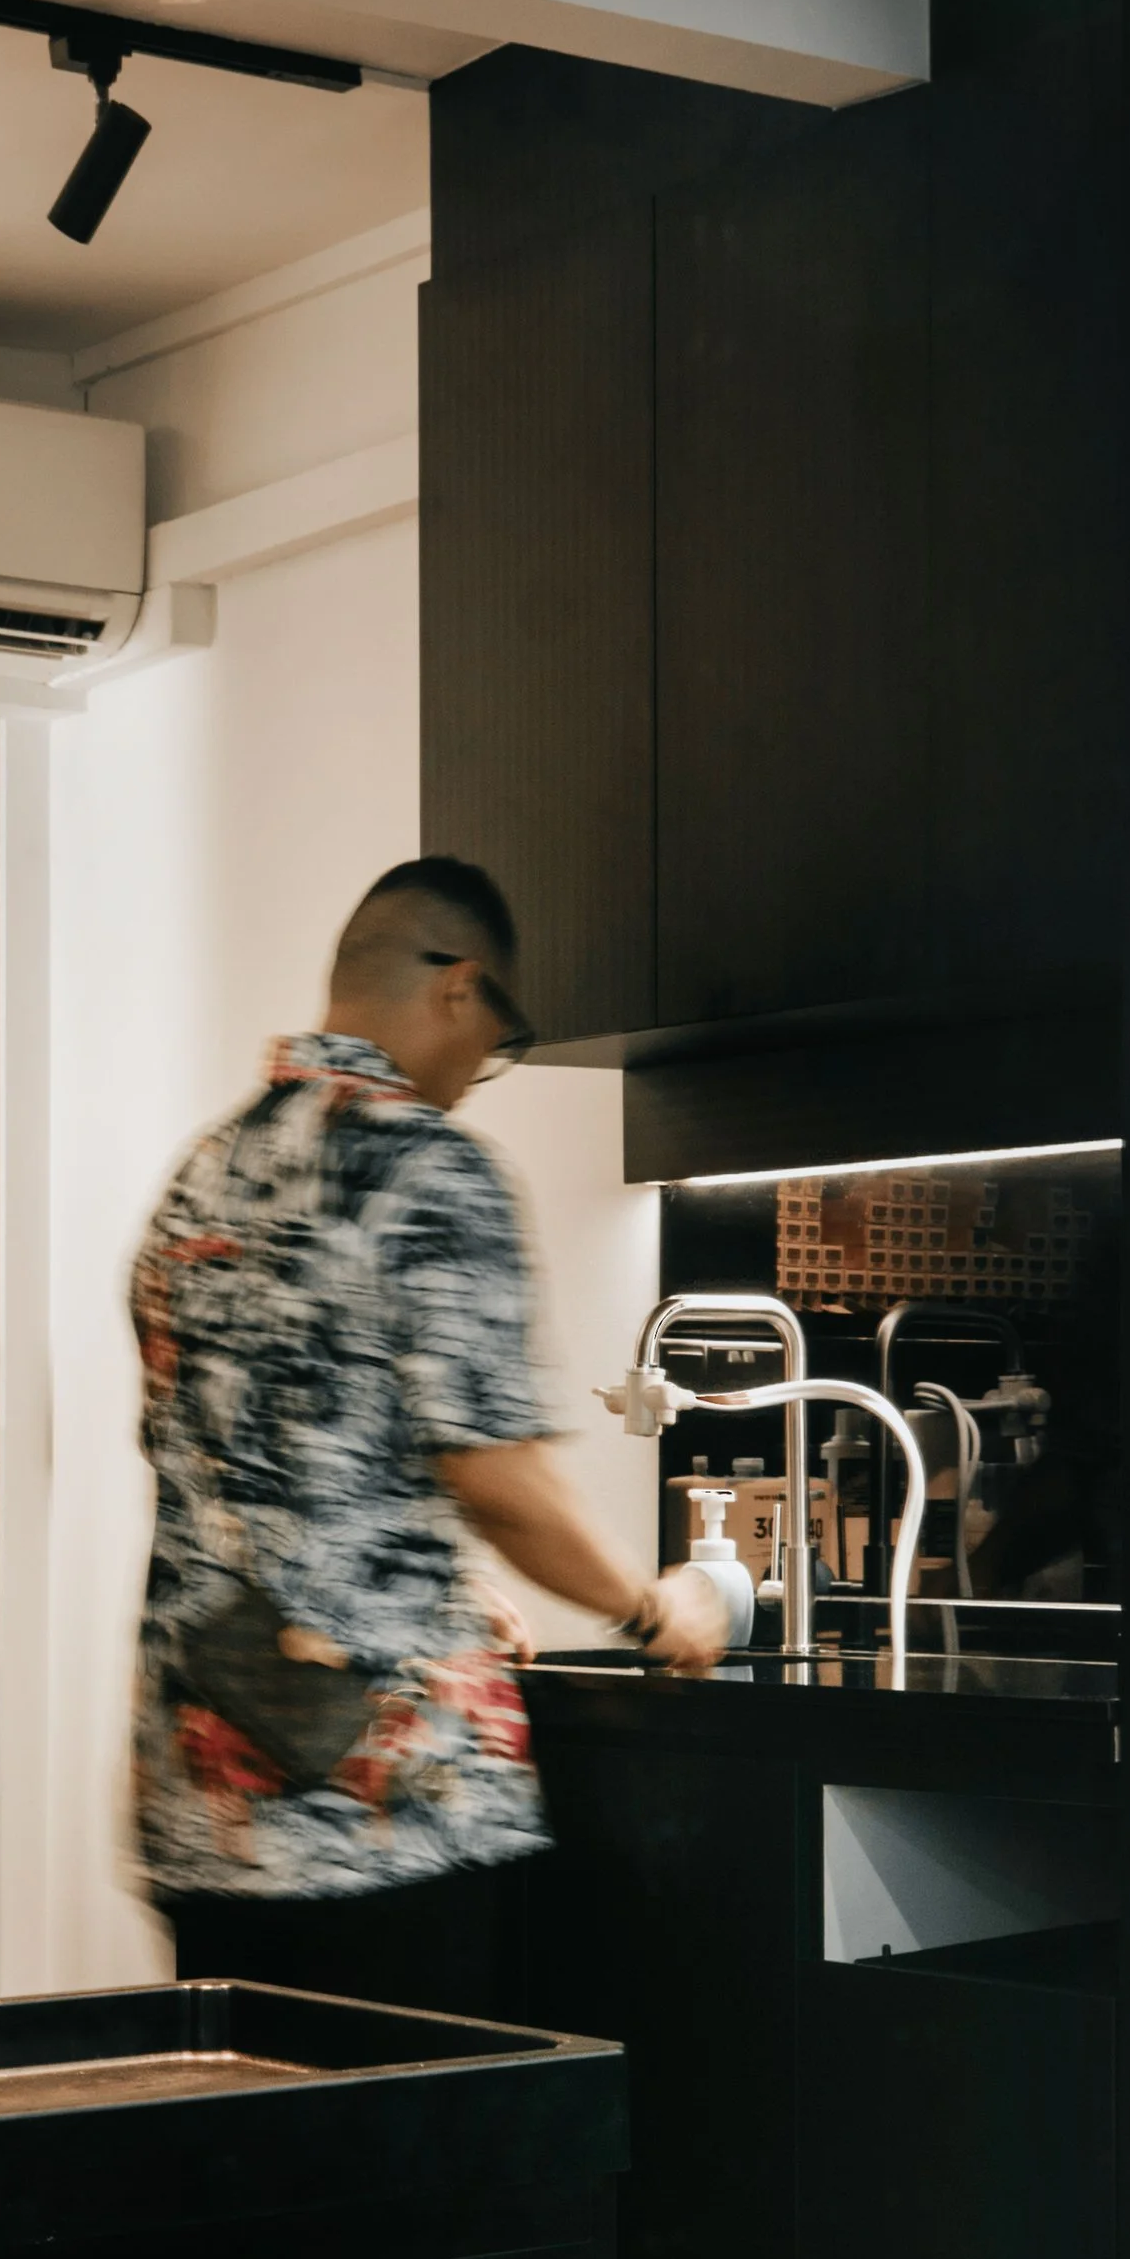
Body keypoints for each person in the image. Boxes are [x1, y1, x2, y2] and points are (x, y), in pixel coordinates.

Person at [130, 854, 728, 2009]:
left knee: (245, 2167)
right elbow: (498, 1482)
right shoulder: (430, 1169)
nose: (478, 1075)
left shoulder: (201, 1176)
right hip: (377, 1812)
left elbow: (246, 1469)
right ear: (460, 986)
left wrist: (426, 1587)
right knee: (419, 2168)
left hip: (200, 1800)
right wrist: (657, 1609)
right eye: (498, 1041)